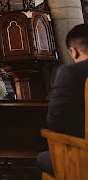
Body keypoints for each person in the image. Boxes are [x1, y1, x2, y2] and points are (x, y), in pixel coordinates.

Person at [37, 24, 88, 177]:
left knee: (42, 158)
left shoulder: (70, 73)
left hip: (82, 158)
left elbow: (56, 123)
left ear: (73, 51)